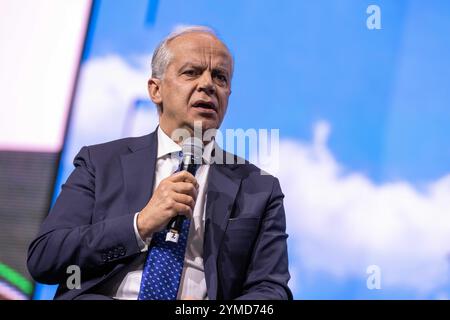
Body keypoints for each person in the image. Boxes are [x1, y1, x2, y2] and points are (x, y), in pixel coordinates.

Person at [27, 26, 292, 300]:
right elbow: (45, 257)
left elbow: (271, 290)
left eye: (220, 77)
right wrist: (139, 225)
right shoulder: (101, 162)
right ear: (156, 89)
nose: (208, 85)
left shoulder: (259, 188)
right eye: (191, 72)